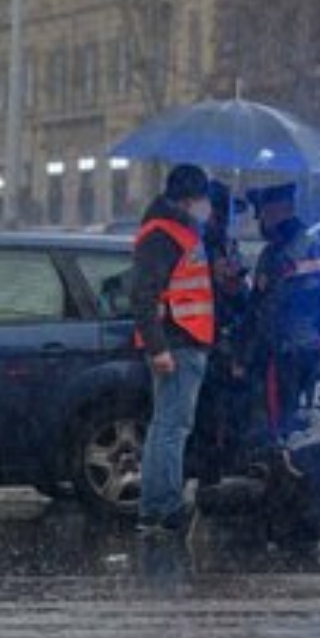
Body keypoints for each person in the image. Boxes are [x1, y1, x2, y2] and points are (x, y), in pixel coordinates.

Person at [131, 163, 215, 535]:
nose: (207, 206)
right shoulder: (164, 235)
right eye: (204, 199)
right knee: (170, 427)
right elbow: (144, 293)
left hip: (182, 339)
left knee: (167, 426)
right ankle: (163, 507)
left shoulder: (178, 231)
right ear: (190, 199)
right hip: (177, 341)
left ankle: (157, 506)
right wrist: (157, 346)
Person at [241, 182, 320, 445]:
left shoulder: (284, 251)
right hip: (302, 346)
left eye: (263, 214)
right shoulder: (306, 245)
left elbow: (268, 308)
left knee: (277, 422)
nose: (261, 221)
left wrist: (253, 349)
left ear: (277, 211)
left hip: (283, 350)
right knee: (290, 416)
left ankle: (282, 473)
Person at [195, 179, 253, 484]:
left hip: (217, 335)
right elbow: (219, 292)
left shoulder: (223, 243)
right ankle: (213, 471)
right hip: (211, 336)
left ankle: (218, 468)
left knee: (220, 410)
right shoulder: (207, 244)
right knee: (212, 412)